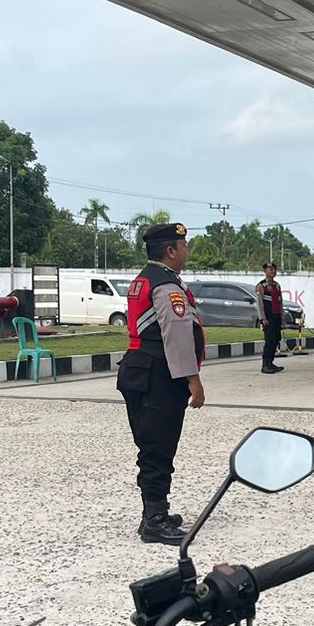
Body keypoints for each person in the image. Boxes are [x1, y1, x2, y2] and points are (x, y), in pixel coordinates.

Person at [117, 222, 206, 545]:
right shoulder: (166, 286)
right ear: (170, 250)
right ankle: (155, 520)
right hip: (157, 375)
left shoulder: (145, 278)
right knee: (158, 448)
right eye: (184, 246)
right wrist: (194, 380)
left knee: (153, 446)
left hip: (141, 370)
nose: (187, 251)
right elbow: (177, 336)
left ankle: (155, 512)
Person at [255, 262, 285, 374]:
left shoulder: (277, 286)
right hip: (268, 317)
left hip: (276, 316)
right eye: (270, 269)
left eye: (274, 269)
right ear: (265, 271)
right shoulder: (261, 286)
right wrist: (263, 318)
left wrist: (282, 318)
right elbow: (260, 304)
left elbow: (280, 303)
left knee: (276, 339)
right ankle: (265, 364)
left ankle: (271, 362)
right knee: (269, 340)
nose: (273, 271)